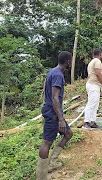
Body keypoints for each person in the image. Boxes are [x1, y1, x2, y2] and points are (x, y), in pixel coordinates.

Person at [36, 51, 74, 180]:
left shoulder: (53, 71)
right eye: (71, 60)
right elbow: (54, 98)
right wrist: (61, 119)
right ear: (68, 61)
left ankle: (52, 162)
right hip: (53, 112)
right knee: (47, 142)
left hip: (52, 111)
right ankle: (41, 176)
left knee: (68, 134)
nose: (71, 63)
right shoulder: (58, 75)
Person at [83, 48, 102, 129]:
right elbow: (98, 73)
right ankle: (86, 122)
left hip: (93, 84)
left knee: (95, 104)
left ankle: (92, 121)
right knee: (92, 104)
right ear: (100, 54)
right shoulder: (97, 61)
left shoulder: (92, 62)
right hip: (93, 84)